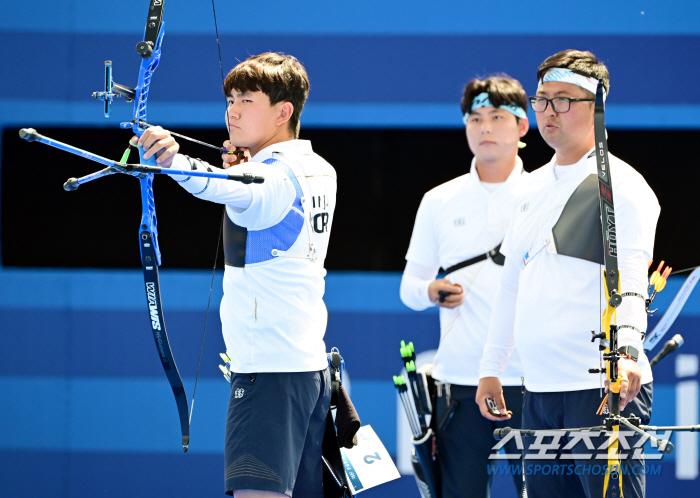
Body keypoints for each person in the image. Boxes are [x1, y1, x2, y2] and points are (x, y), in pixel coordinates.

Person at [136, 52, 337, 498]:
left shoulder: (272, 177)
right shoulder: (320, 168)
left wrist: (173, 161)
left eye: (247, 99)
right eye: (230, 99)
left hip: (268, 374)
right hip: (307, 370)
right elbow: (252, 190)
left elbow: (230, 186)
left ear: (284, 112)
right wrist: (243, 166)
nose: (232, 110)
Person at [476, 50, 660, 498]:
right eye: (542, 100)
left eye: (564, 100)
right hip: (539, 390)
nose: (549, 111)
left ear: (596, 108)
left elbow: (633, 279)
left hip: (601, 388)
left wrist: (630, 351)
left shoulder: (621, 185)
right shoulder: (529, 189)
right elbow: (512, 285)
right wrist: (491, 367)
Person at [400, 75, 529, 498]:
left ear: (522, 126)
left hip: (534, 380)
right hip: (460, 381)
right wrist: (430, 291)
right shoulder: (439, 200)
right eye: (475, 118)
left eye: (497, 116)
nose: (486, 127)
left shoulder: (545, 194)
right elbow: (410, 286)